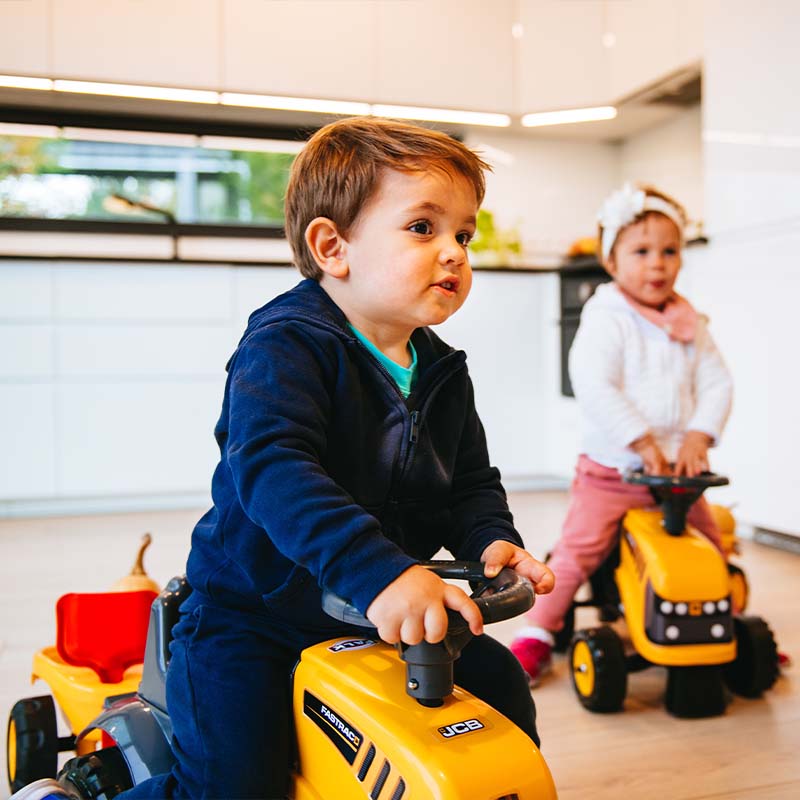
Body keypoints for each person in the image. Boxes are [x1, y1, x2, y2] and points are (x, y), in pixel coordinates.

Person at [116, 117, 554, 799]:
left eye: (464, 234)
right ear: (333, 247)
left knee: (499, 687)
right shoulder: (286, 346)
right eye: (423, 228)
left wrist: (491, 538)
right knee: (235, 781)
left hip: (378, 613)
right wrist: (377, 573)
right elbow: (274, 469)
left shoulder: (442, 370)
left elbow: (469, 481)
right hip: (254, 617)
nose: (455, 252)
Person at [510, 183, 733, 686]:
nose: (657, 264)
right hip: (613, 470)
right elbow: (594, 384)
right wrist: (642, 441)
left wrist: (700, 434)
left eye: (669, 251)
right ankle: (538, 634)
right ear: (612, 261)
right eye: (641, 252)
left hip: (678, 475)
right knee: (578, 551)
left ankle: (725, 623)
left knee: (710, 545)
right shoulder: (607, 316)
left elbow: (718, 382)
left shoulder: (689, 321)